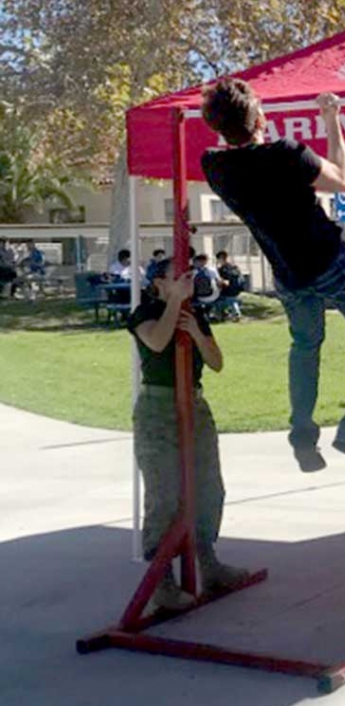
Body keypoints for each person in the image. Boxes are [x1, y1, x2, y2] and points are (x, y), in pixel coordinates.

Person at [200, 77, 345, 472]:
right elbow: (341, 178)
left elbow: (243, 148)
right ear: (258, 118)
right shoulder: (286, 154)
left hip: (288, 274)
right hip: (328, 260)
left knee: (305, 346)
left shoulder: (214, 166)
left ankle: (303, 437)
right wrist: (331, 119)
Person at [128, 258, 249, 611]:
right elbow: (156, 341)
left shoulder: (196, 314)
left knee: (209, 486)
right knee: (164, 493)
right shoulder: (145, 312)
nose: (187, 282)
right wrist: (173, 306)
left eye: (190, 277)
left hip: (194, 405)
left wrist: (196, 330)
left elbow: (216, 362)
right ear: (159, 284)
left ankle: (207, 562)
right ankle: (161, 580)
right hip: (158, 409)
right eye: (177, 278)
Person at [214, 250, 244, 321]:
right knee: (231, 301)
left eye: (218, 259)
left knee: (218, 301)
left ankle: (223, 315)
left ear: (221, 258)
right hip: (236, 290)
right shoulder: (234, 267)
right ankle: (235, 314)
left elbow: (225, 282)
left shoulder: (223, 269)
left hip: (227, 291)